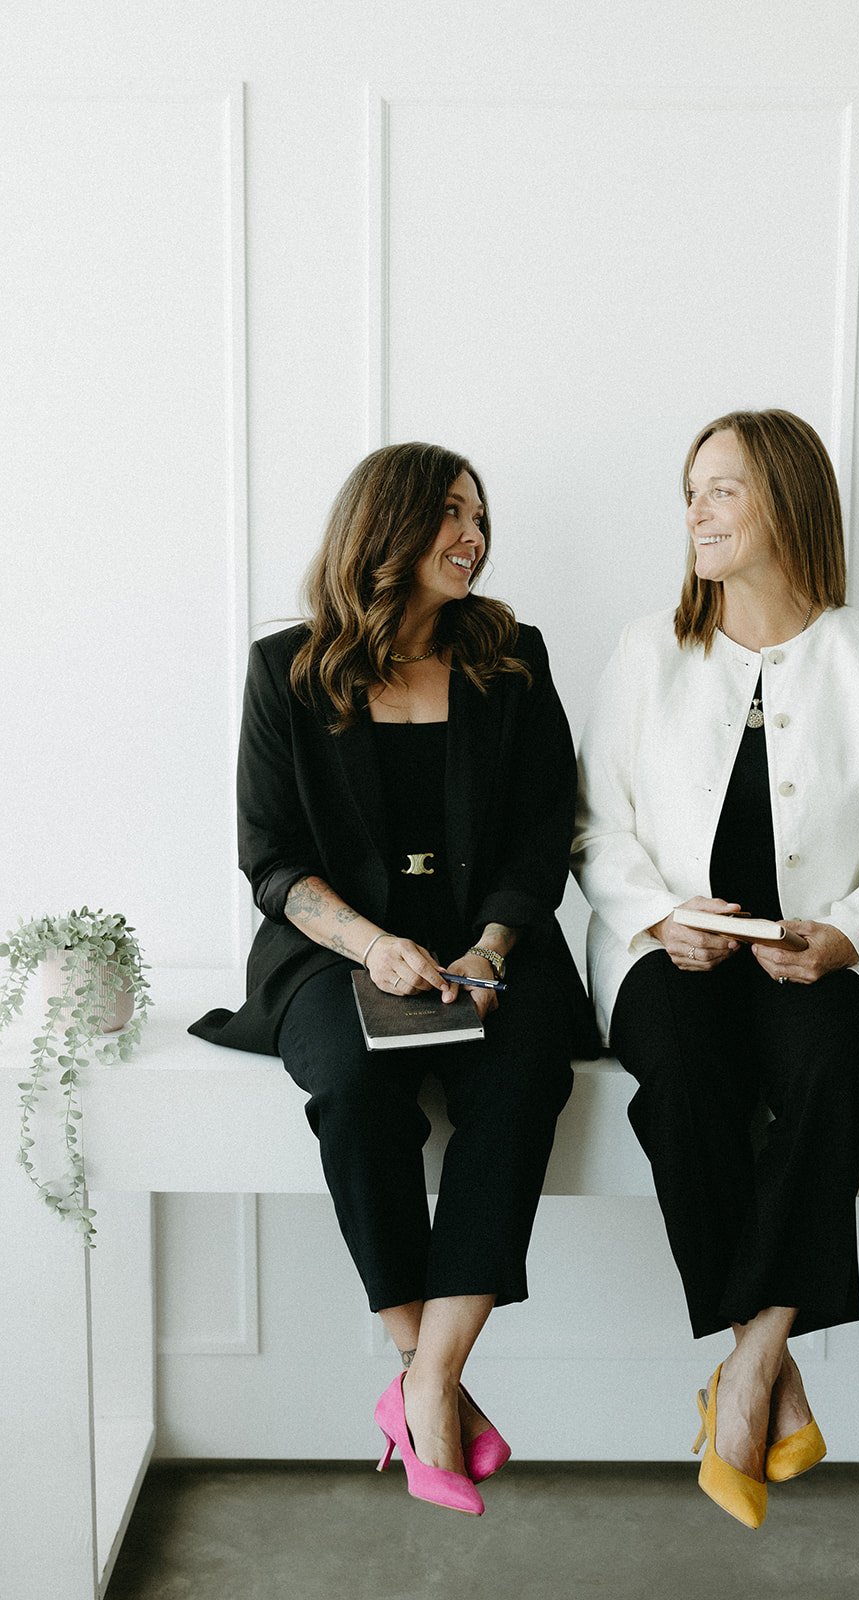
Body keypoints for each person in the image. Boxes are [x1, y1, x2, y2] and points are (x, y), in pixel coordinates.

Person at [191, 441, 596, 1517]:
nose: (473, 535)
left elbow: (541, 830)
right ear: (386, 527)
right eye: (450, 514)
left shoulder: (512, 658)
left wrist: (489, 950)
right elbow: (270, 856)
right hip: (331, 952)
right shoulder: (284, 668)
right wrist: (372, 944)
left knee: (521, 1080)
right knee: (355, 1085)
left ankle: (423, 1387)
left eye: (479, 515)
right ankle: (433, 1385)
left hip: (490, 942)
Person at [571, 409, 859, 1529]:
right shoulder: (648, 648)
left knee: (832, 1073)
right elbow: (595, 832)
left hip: (808, 952)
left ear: (784, 501)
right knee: (684, 1082)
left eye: (720, 488)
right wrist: (654, 917)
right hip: (663, 952)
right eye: (689, 489)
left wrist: (847, 931)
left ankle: (744, 1369)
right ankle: (760, 1375)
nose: (694, 510)